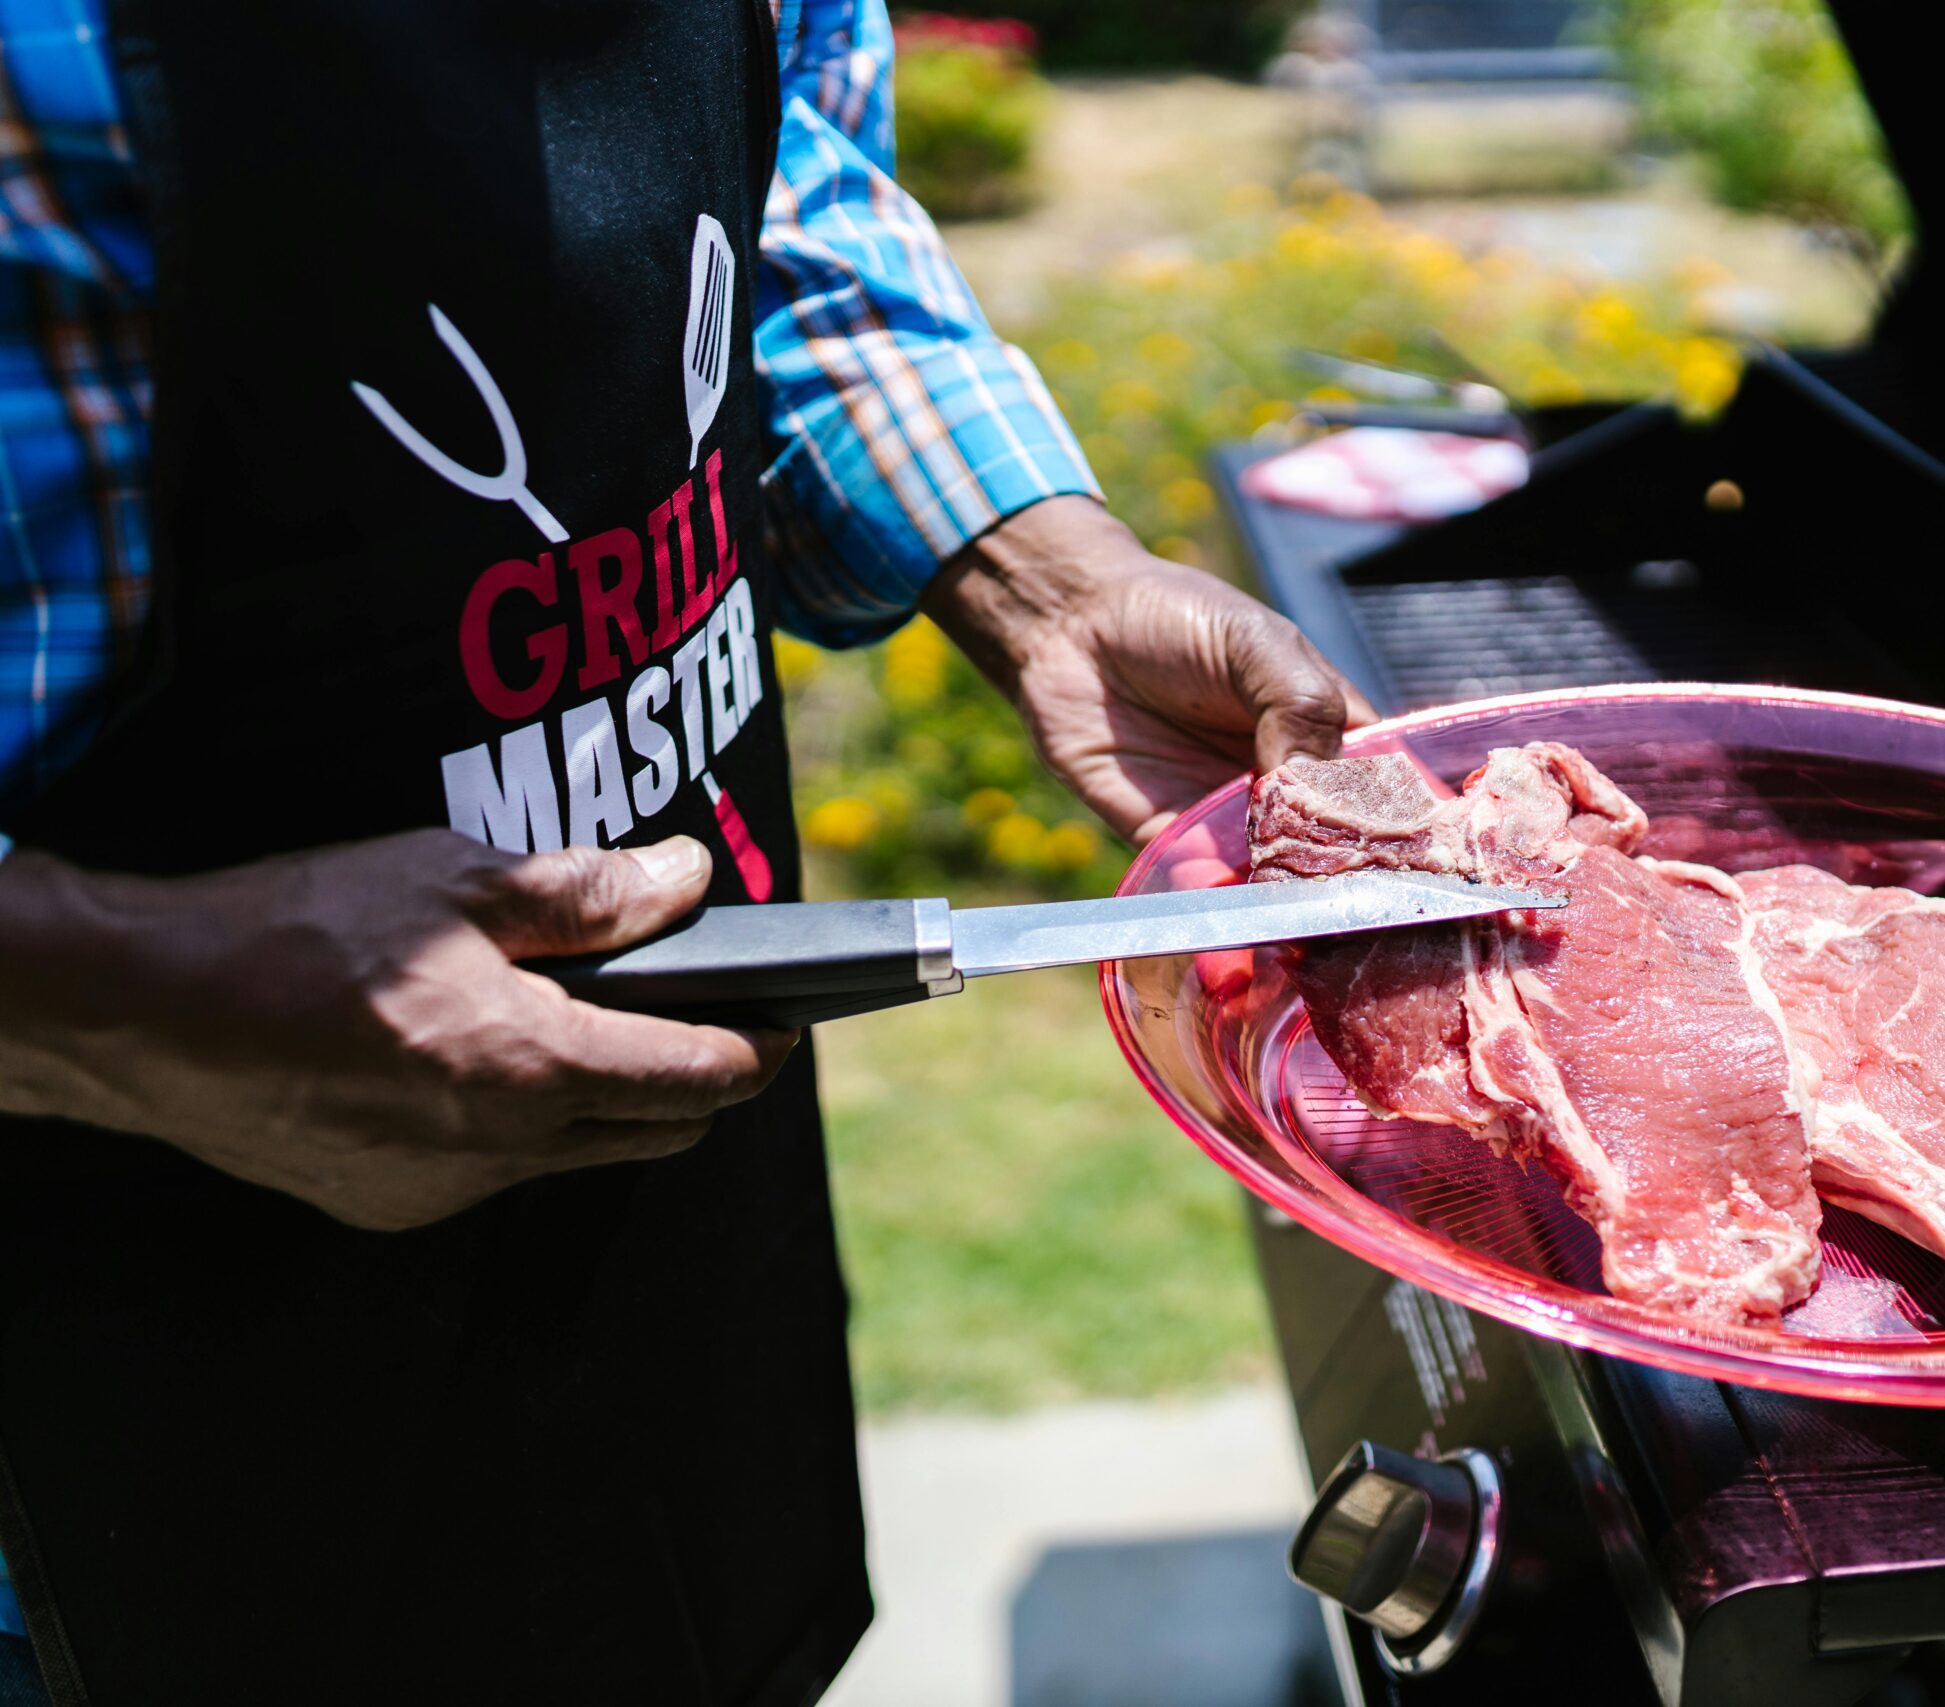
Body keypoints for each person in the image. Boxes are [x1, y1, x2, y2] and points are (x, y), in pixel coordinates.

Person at [0, 1, 1368, 1701]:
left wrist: (1045, 574)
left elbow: (782, 221)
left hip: (675, 1310)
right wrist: (120, 1002)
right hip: (119, 1416)